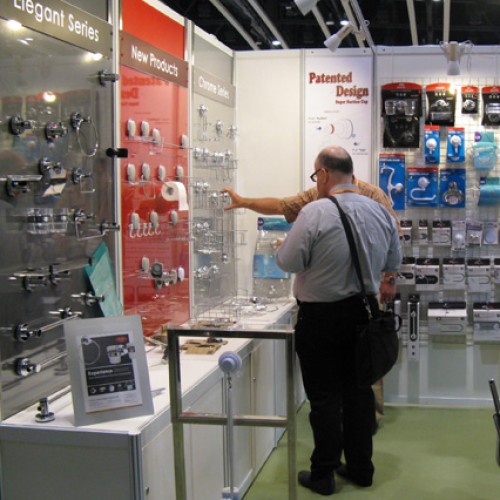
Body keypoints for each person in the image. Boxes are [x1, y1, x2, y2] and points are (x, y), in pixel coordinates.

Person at [222, 162, 399, 425]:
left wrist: (389, 280)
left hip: (343, 306)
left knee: (353, 377)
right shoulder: (317, 198)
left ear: (325, 174)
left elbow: (393, 235)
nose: (316, 181)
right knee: (355, 385)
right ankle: (358, 436)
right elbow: (283, 206)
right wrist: (245, 202)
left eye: (317, 175)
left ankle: (360, 424)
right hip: (347, 306)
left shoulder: (370, 197)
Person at [275, 146, 402, 495]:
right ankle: (361, 469)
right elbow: (393, 259)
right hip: (364, 314)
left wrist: (281, 247)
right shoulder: (380, 211)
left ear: (324, 174)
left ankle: (324, 473)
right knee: (359, 394)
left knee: (325, 398)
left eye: (316, 175)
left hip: (321, 318)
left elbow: (289, 261)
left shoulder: (314, 212)